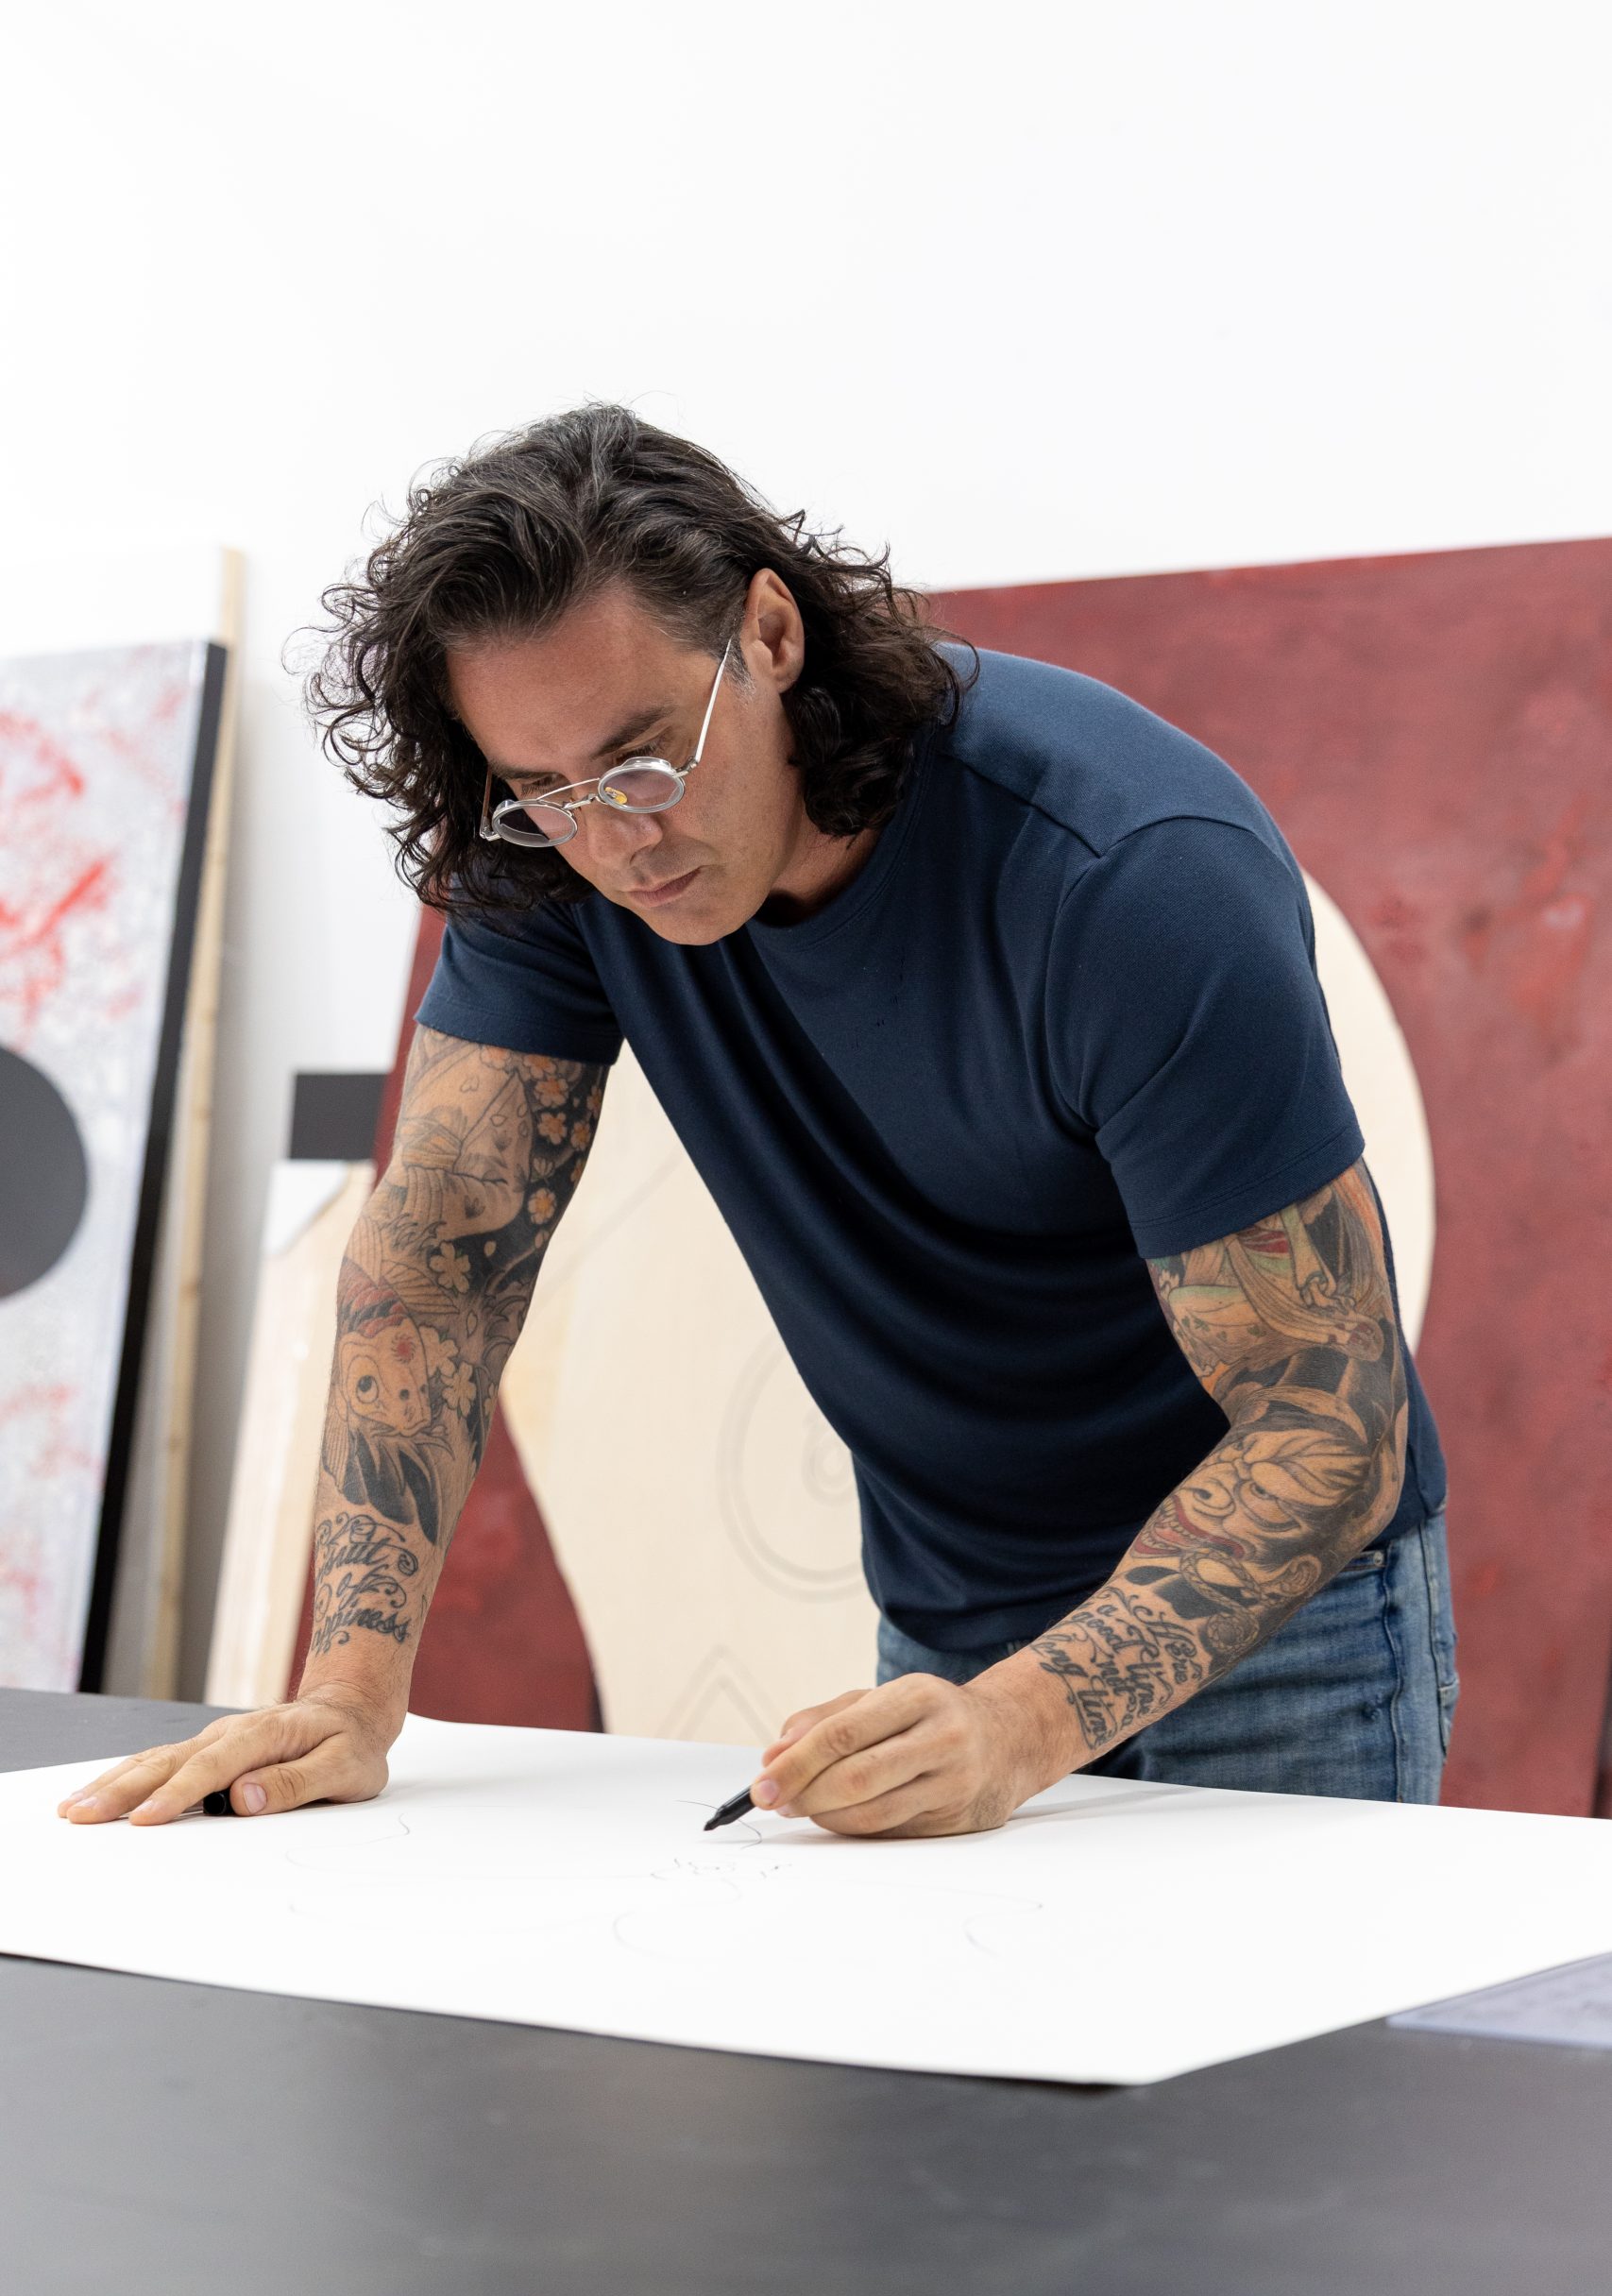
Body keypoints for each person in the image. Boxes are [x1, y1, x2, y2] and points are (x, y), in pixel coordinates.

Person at [59, 405, 1455, 1843]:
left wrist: (1027, 1723)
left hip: (1283, 1635)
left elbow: (1326, 1416)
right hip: (952, 1610)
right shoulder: (566, 865)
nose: (621, 841)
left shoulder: (1127, 883)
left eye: (646, 760)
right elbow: (439, 1271)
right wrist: (350, 1695)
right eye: (545, 791)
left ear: (771, 634)